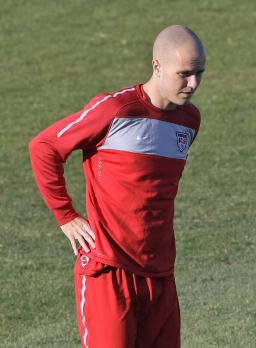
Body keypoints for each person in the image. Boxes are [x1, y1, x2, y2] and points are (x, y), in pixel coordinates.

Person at [29, 25, 206, 348]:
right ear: (157, 66)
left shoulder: (189, 121)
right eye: (184, 74)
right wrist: (65, 215)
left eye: (199, 73)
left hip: (161, 275)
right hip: (107, 272)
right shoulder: (116, 110)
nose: (193, 84)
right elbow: (44, 147)